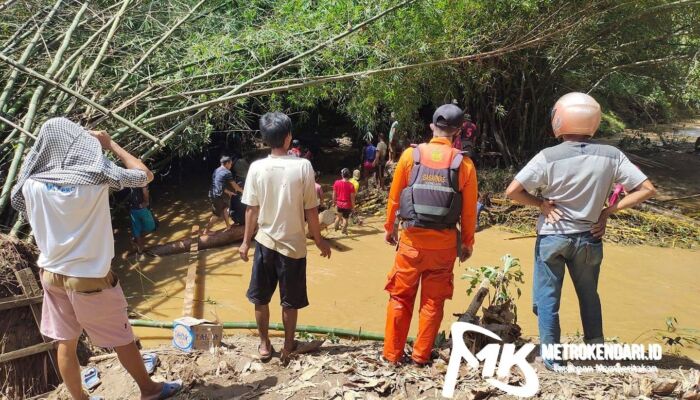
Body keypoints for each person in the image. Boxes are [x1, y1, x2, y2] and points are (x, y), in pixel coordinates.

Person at [10, 118, 181, 400]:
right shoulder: (94, 178)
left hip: (51, 273)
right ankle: (149, 390)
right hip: (88, 276)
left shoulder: (31, 185)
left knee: (65, 340)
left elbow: (30, 172)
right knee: (121, 336)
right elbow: (143, 175)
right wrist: (109, 143)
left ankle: (80, 399)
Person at [505, 92, 657, 370]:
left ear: (559, 120)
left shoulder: (547, 156)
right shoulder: (612, 155)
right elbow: (647, 189)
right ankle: (596, 350)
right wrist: (607, 211)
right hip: (590, 238)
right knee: (589, 295)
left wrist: (541, 204)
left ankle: (552, 357)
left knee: (548, 300)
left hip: (552, 237)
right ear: (594, 121)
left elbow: (513, 191)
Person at [382, 104, 478, 365]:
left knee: (400, 298)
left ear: (432, 126)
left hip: (411, 243)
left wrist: (389, 227)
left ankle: (391, 355)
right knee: (433, 303)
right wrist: (467, 243)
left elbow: (394, 198)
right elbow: (469, 213)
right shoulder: (464, 164)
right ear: (458, 131)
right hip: (444, 247)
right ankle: (421, 357)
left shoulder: (410, 156)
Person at [239, 112, 331, 364]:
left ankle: (264, 344)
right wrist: (320, 241)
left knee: (260, 298)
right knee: (290, 302)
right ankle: (288, 346)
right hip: (294, 246)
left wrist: (246, 242)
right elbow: (311, 210)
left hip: (265, 242)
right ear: (288, 137)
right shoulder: (303, 166)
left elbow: (251, 209)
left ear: (265, 139)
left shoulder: (257, 168)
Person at [203, 156, 243, 235]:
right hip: (217, 196)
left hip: (213, 193)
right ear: (227, 163)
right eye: (230, 164)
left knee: (225, 208)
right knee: (216, 215)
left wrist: (228, 192)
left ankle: (228, 226)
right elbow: (234, 185)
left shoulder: (216, 170)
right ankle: (206, 231)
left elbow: (218, 184)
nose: (231, 166)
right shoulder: (227, 172)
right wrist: (242, 191)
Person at [128, 185, 157, 259]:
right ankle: (139, 245)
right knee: (152, 226)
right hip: (141, 208)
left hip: (132, 208)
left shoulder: (126, 179)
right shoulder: (141, 177)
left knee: (137, 230)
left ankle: (140, 250)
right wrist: (146, 202)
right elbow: (145, 191)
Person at [332, 168, 356, 235]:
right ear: (349, 175)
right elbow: (352, 198)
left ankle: (335, 228)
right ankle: (343, 231)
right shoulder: (351, 185)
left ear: (342, 175)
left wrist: (334, 202)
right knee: (345, 219)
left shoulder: (336, 182)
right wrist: (353, 207)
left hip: (339, 204)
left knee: (338, 217)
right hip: (347, 205)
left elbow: (334, 194)